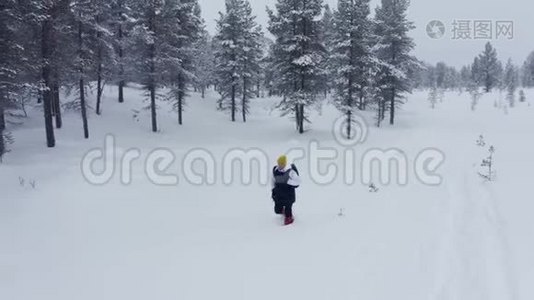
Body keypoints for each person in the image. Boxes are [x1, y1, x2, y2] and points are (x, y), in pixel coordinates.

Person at [271, 155, 301, 225]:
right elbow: (273, 179)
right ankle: (283, 211)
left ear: (284, 164)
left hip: (288, 195)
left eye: (282, 164)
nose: (280, 165)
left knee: (288, 209)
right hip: (278, 194)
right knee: (277, 210)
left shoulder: (290, 172)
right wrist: (273, 189)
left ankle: (289, 218)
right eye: (279, 164)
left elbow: (298, 181)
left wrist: (289, 182)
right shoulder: (275, 170)